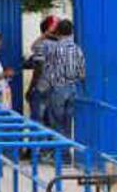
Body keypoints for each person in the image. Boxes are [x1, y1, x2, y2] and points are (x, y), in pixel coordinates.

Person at [40, 19, 85, 157]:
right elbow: (82, 73)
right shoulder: (77, 49)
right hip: (72, 89)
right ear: (71, 31)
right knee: (68, 122)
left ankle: (59, 155)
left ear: (58, 31)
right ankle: (66, 154)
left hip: (58, 89)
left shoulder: (54, 49)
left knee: (56, 123)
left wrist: (42, 88)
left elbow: (47, 69)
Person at [24, 16, 59, 128]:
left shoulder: (41, 45)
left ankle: (34, 145)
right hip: (55, 89)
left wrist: (31, 88)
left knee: (36, 121)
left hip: (41, 88)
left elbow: (39, 69)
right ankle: (49, 145)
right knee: (50, 122)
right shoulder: (61, 46)